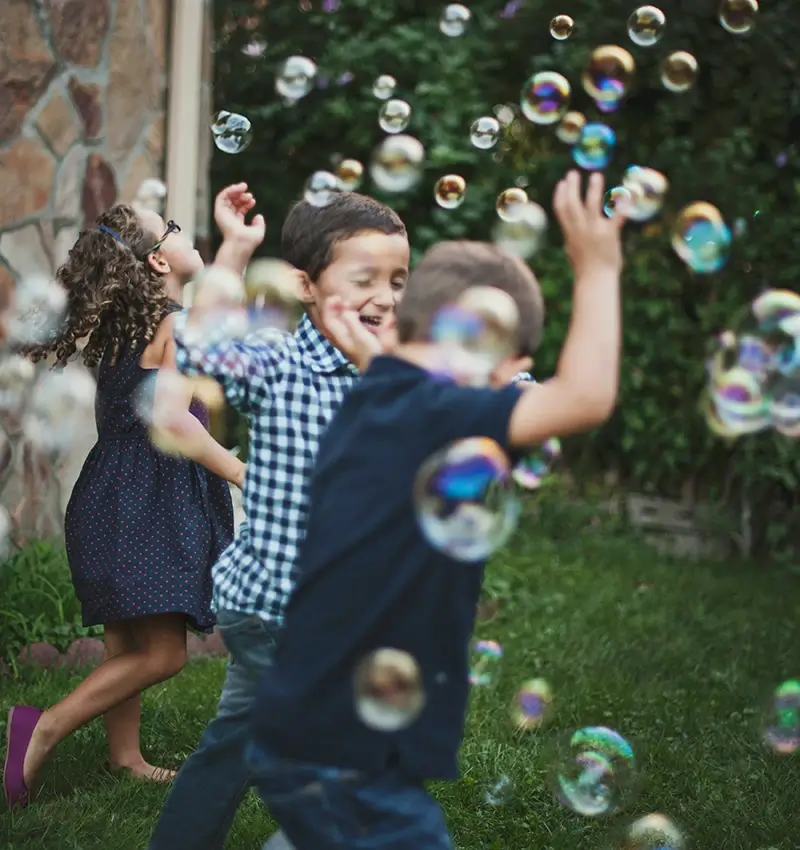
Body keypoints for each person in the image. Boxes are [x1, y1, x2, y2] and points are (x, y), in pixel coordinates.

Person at [245, 170, 625, 850]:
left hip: (307, 728)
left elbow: (396, 370)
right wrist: (597, 266)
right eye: (511, 364)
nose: (511, 382)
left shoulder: (379, 392)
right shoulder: (435, 411)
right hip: (347, 753)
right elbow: (588, 397)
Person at [147, 190, 411, 850]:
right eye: (365, 278)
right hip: (275, 609)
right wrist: (235, 250)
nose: (385, 296)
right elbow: (201, 348)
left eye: (398, 280)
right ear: (306, 286)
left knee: (235, 744)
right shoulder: (280, 361)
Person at [2, 186, 257, 809]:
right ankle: (42, 729)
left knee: (127, 644)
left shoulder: (129, 331)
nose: (180, 228)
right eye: (170, 226)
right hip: (150, 500)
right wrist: (244, 474)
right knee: (163, 655)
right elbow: (174, 423)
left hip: (108, 496)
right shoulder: (175, 325)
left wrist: (237, 246)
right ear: (159, 261)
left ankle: (125, 757)